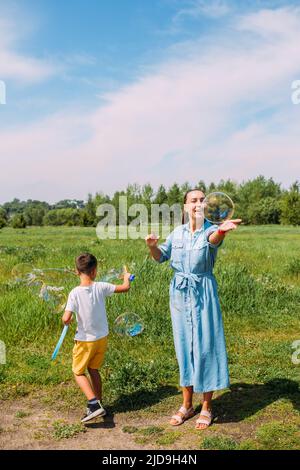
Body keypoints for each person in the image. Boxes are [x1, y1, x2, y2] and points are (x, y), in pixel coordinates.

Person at [145, 189, 241, 430]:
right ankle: (187, 404)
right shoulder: (176, 233)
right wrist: (152, 246)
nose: (198, 204)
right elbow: (160, 257)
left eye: (202, 200)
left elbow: (213, 240)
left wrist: (221, 230)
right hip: (179, 293)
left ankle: (207, 407)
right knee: (184, 347)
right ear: (185, 207)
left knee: (206, 346)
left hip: (203, 291)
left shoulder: (211, 229)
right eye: (193, 200)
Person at [62, 253, 132, 423]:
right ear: (94, 271)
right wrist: (127, 278)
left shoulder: (74, 293)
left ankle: (94, 405)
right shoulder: (101, 286)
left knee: (78, 372)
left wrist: (67, 319)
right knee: (93, 370)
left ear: (76, 271)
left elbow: (66, 318)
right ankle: (98, 403)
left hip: (85, 340)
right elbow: (124, 288)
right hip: (102, 338)